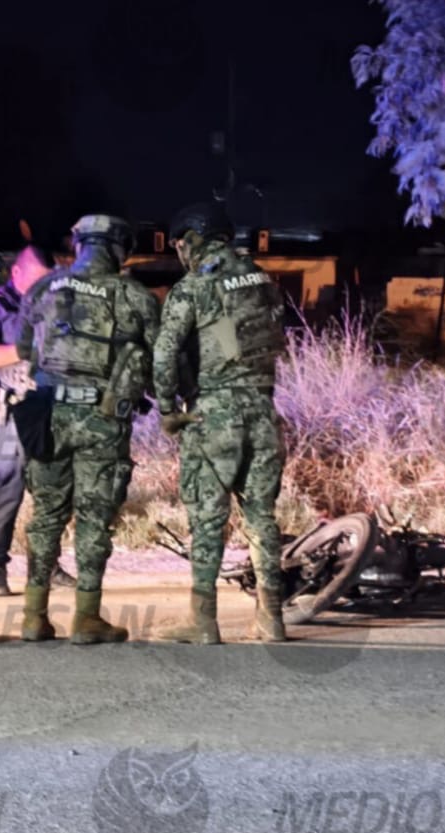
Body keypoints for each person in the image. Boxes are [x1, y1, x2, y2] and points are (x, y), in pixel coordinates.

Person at [16, 215, 159, 644]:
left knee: (46, 516)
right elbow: (159, 359)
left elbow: (24, 349)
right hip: (102, 417)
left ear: (78, 245)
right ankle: (86, 617)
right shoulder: (133, 295)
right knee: (94, 517)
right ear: (120, 249)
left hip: (48, 416)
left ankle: (33, 617)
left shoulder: (42, 288)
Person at [153, 201, 288, 644]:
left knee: (208, 517)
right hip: (264, 412)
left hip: (214, 414)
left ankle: (203, 621)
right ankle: (271, 618)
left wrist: (169, 410)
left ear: (191, 239)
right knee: (261, 516)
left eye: (179, 243)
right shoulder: (263, 280)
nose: (179, 252)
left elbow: (165, 352)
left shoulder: (193, 286)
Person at [0, 245, 77, 596]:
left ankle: (46, 566)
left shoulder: (57, 303)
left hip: (49, 408)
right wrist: (28, 349)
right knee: (7, 487)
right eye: (37, 280)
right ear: (16, 273)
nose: (43, 287)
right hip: (11, 410)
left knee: (52, 490)